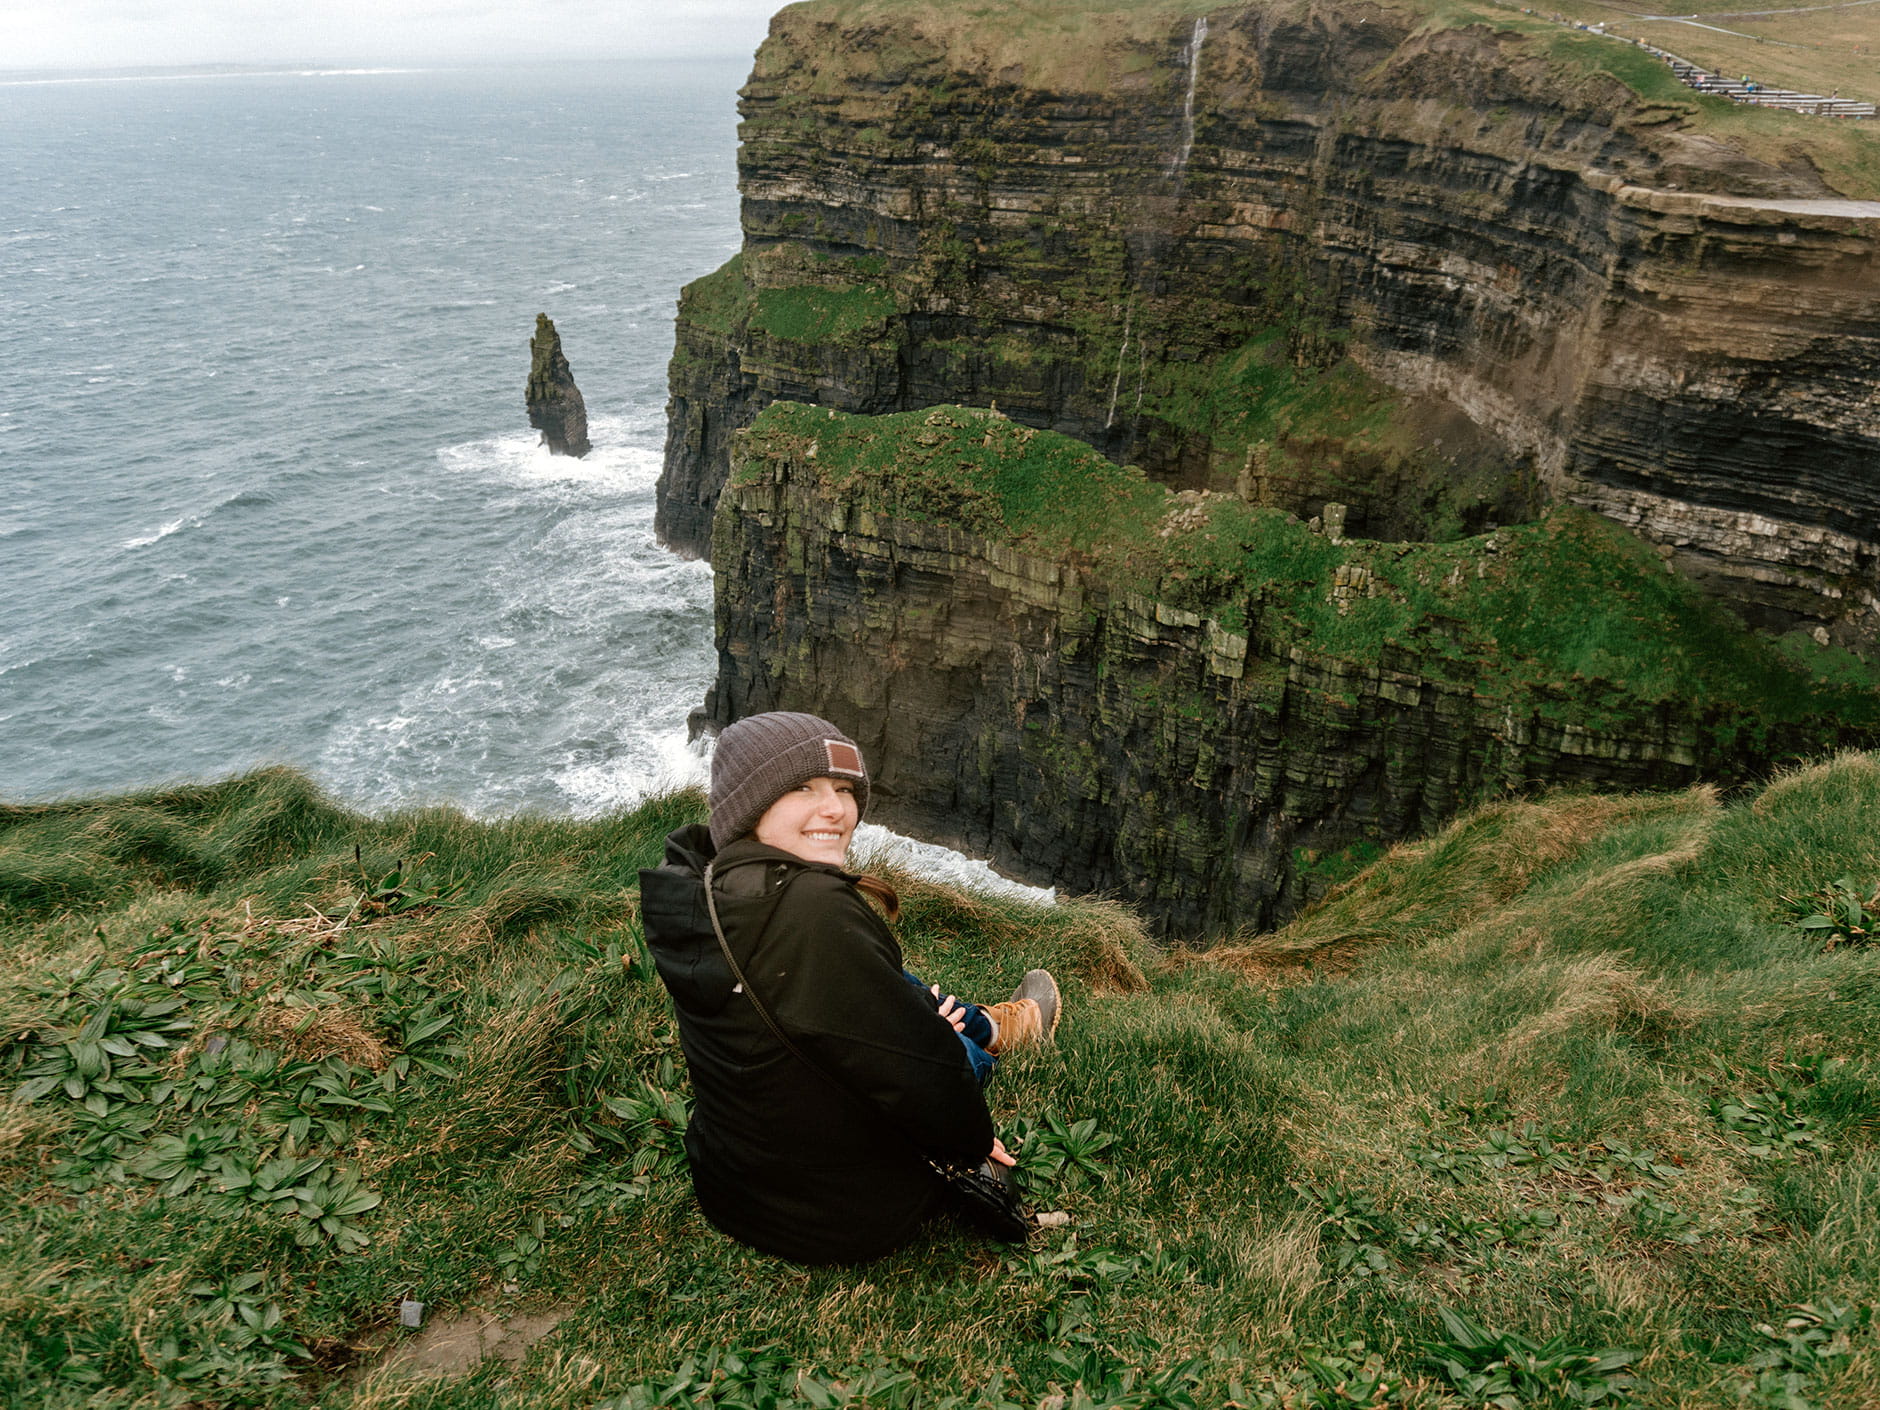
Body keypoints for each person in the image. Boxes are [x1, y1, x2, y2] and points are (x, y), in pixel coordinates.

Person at [639, 711, 1061, 1264]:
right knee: (940, 1034)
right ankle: (988, 1033)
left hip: (734, 1190)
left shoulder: (702, 885)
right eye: (801, 788)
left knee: (893, 988)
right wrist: (973, 1140)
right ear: (749, 804)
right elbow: (921, 1074)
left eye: (844, 788)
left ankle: (978, 1023)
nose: (836, 809)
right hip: (839, 1216)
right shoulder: (814, 911)